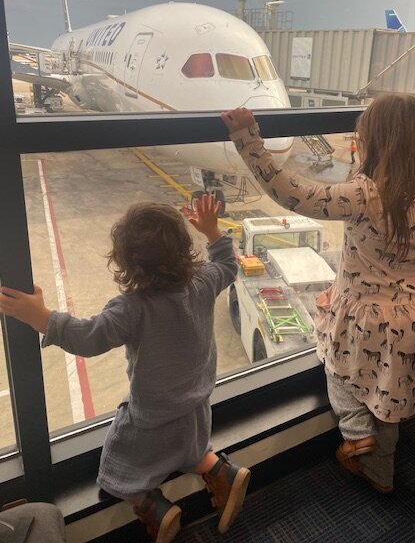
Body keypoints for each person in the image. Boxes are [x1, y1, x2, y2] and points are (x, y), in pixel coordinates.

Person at [221, 93, 415, 494]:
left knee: (334, 363)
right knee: (389, 398)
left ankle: (358, 433)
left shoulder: (364, 195)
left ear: (376, 142)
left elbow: (290, 190)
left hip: (366, 316)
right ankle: (382, 471)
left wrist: (247, 140)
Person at [0, 195, 250, 543]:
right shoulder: (203, 283)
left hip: (152, 419)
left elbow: (88, 338)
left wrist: (41, 318)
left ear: (128, 264)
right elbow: (226, 264)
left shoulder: (132, 308)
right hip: (196, 408)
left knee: (116, 467)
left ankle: (154, 507)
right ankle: (220, 470)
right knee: (191, 449)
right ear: (183, 249)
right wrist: (212, 231)